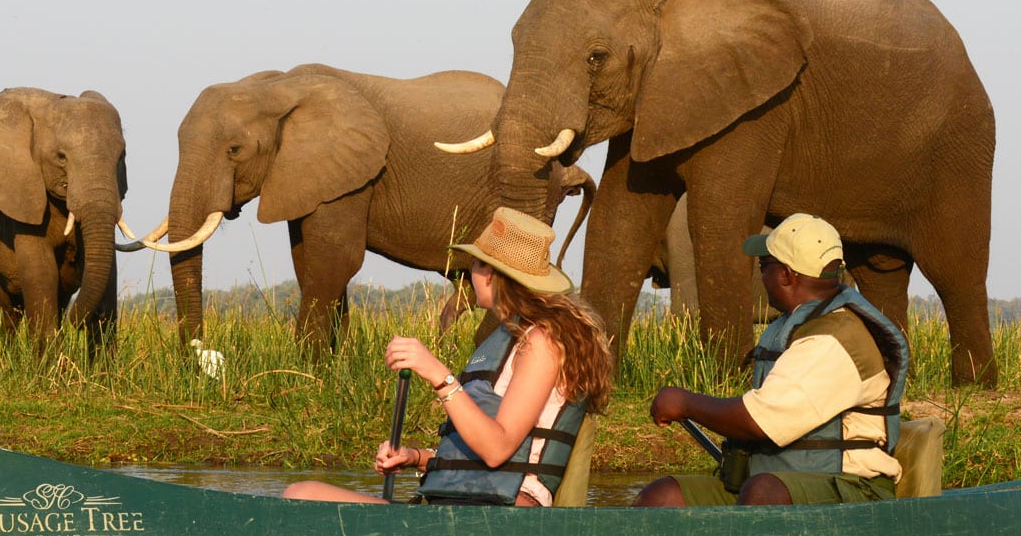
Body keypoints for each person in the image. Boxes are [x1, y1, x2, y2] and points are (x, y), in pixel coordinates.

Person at [283, 206, 615, 506]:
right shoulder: (511, 336)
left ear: (492, 273)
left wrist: (438, 376)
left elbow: (498, 449)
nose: (470, 273)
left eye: (475, 263)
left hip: (501, 515)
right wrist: (417, 457)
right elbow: (478, 454)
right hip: (463, 507)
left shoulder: (542, 342)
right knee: (301, 494)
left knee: (299, 497)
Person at [635, 213, 909, 507]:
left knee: (763, 492)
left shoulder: (833, 340)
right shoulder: (795, 324)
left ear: (787, 275)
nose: (761, 277)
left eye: (763, 266)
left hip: (851, 489)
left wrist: (684, 403)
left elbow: (758, 421)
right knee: (662, 496)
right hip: (778, 483)